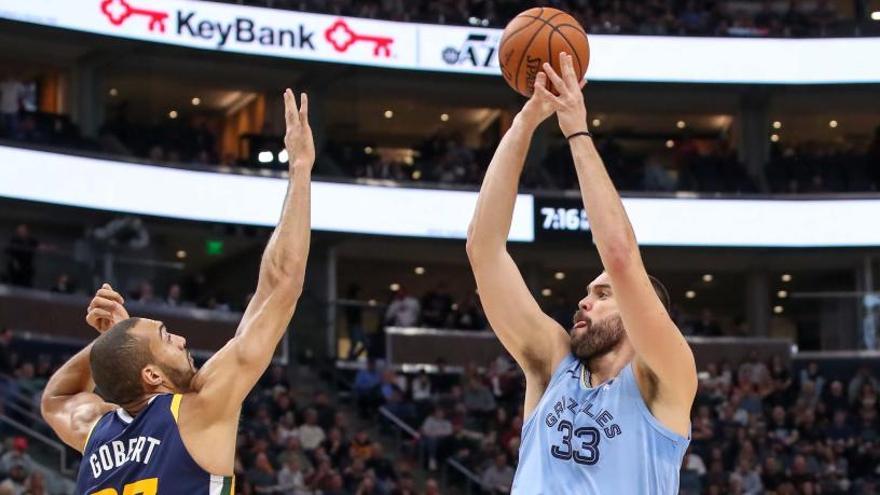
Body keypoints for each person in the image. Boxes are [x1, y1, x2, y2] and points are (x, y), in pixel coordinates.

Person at [39, 89, 315, 493]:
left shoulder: (94, 430)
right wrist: (301, 169)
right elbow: (281, 283)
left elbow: (56, 399)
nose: (182, 339)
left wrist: (116, 339)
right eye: (167, 338)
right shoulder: (199, 409)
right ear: (151, 375)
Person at [466, 53, 697, 493]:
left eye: (604, 294)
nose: (584, 300)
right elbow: (483, 247)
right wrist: (525, 123)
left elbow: (621, 257)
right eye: (589, 291)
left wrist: (576, 129)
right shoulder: (553, 365)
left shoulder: (665, 379)